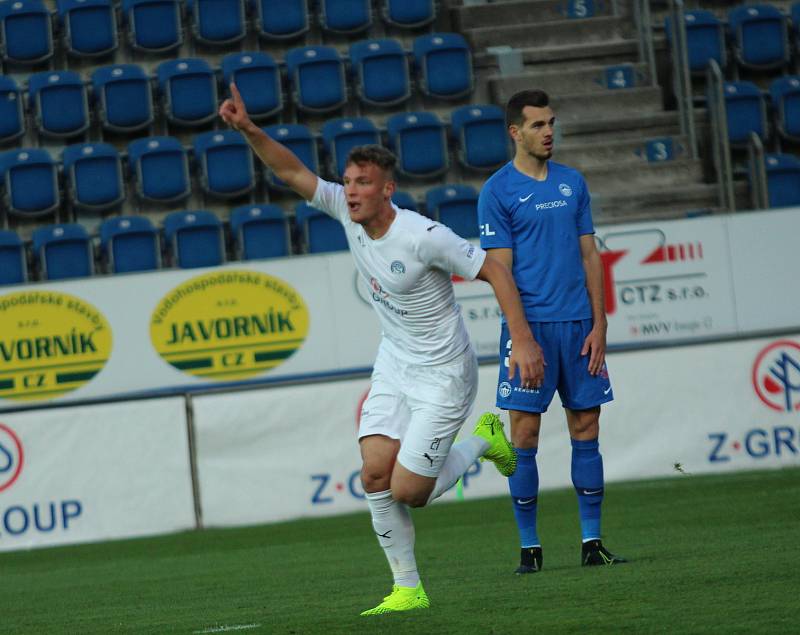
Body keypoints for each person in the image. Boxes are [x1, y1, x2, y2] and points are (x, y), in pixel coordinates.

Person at [219, 84, 540, 614]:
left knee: (409, 491)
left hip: (444, 373)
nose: (350, 192)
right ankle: (408, 589)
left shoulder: (423, 236)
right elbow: (293, 174)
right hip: (394, 362)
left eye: (362, 183)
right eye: (347, 182)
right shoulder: (347, 215)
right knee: (374, 476)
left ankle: (484, 438)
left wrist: (522, 341)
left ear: (387, 189)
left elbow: (495, 270)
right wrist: (249, 129)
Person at [477, 89, 626, 574]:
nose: (549, 132)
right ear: (515, 132)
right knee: (524, 434)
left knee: (587, 428)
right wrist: (522, 338)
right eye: (539, 125)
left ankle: (592, 542)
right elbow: (499, 272)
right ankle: (530, 549)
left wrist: (599, 323)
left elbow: (589, 255)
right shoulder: (497, 192)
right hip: (531, 332)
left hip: (580, 328)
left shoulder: (572, 183)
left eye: (552, 123)